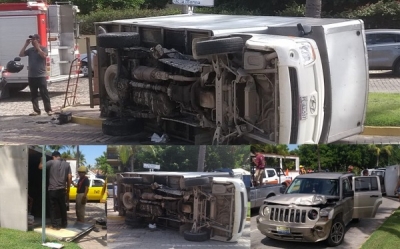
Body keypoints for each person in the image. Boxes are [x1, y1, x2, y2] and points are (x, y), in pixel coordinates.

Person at [19, 34, 53, 116]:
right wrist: (26, 44)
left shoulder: (43, 48)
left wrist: (38, 48)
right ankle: (36, 110)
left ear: (38, 40)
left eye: (34, 39)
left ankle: (48, 110)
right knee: (33, 94)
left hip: (41, 75)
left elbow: (44, 56)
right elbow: (21, 54)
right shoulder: (30, 50)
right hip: (31, 75)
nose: (32, 41)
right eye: (32, 39)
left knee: (44, 93)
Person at [39, 151, 72, 230]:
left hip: (53, 189)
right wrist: (67, 189)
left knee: (53, 207)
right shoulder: (67, 164)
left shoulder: (51, 162)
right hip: (62, 189)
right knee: (62, 207)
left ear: (53, 156)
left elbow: (40, 167)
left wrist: (41, 160)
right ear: (59, 156)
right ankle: (64, 223)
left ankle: (55, 225)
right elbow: (70, 177)